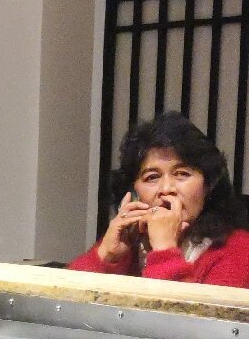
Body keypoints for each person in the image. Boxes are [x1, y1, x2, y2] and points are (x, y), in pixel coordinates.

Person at [68, 111, 249, 287]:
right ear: (134, 191)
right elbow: (64, 299)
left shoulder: (238, 250)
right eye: (152, 177)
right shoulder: (129, 240)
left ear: (208, 185)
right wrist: (106, 255)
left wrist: (164, 249)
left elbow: (179, 308)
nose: (166, 189)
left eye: (182, 174)